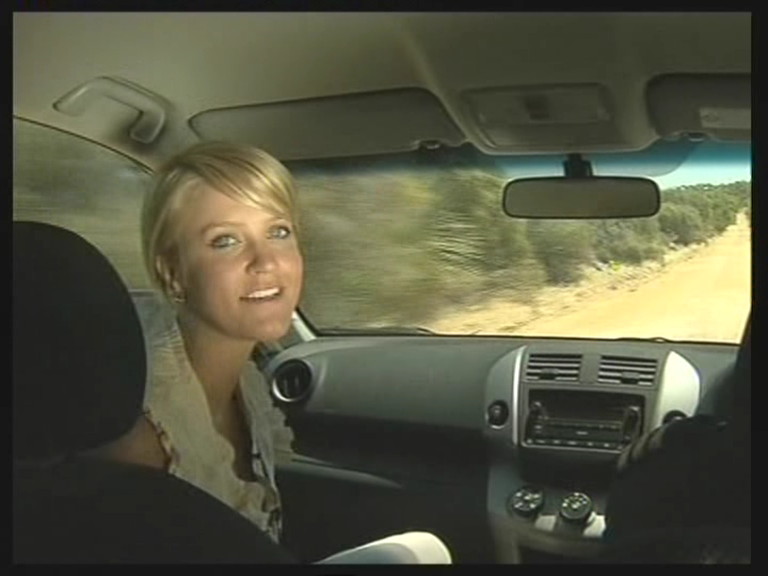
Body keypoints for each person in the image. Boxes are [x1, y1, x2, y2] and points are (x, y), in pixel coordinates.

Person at [95, 141, 451, 564]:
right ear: (173, 273)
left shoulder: (248, 383)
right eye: (225, 240)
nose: (266, 261)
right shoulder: (142, 439)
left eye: (278, 232)